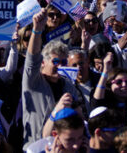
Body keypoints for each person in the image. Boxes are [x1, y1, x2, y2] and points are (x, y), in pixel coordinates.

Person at [22, 10, 82, 149]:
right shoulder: (33, 81)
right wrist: (37, 30)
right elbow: (32, 58)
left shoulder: (68, 86)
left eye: (63, 62)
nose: (59, 66)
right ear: (43, 62)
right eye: (55, 61)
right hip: (35, 148)